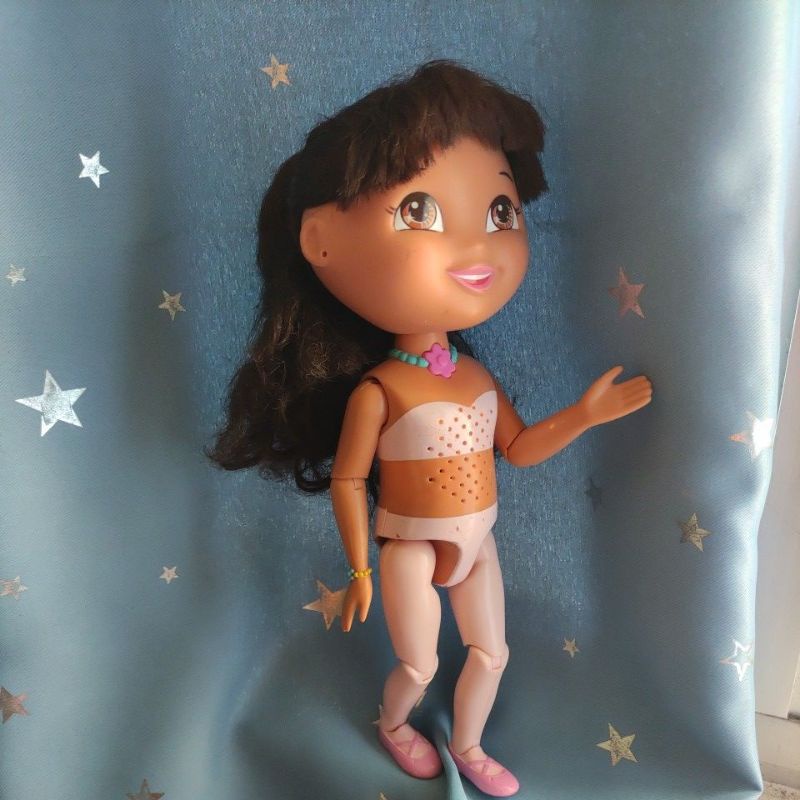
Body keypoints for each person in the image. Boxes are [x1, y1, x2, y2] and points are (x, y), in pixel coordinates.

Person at [206, 58, 652, 797]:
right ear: (321, 240)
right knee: (418, 664)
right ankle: (393, 726)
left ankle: (469, 745)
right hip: (409, 547)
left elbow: (518, 449)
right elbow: (349, 480)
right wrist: (358, 570)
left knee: (492, 654)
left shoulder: (475, 376)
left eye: (500, 213)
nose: (477, 247)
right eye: (420, 211)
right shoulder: (379, 389)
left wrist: (584, 414)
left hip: (479, 543)